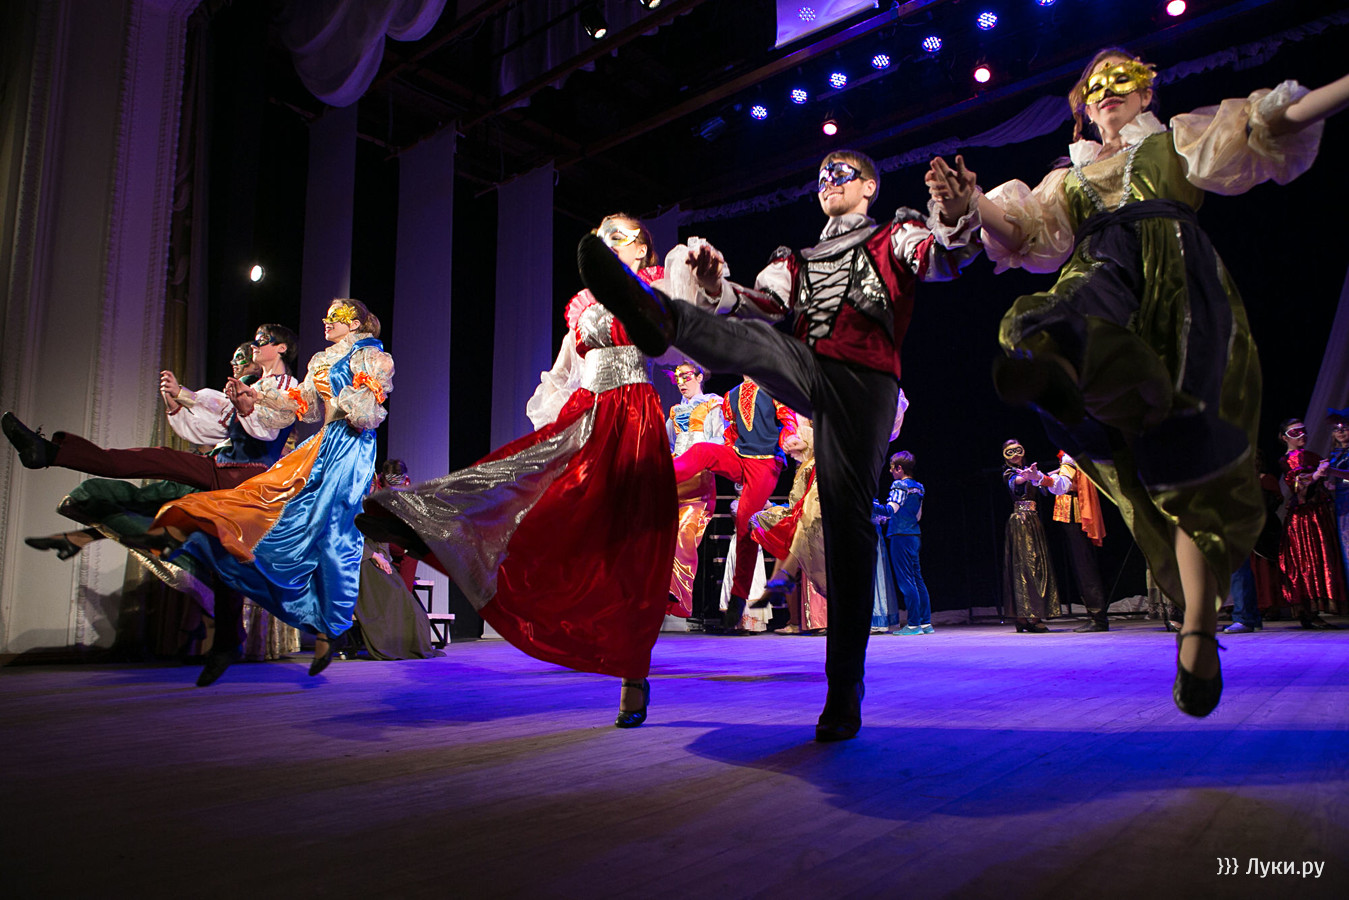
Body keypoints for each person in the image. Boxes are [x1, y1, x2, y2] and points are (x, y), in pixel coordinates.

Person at [930, 49, 1349, 715]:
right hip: (1102, 276)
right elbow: (1026, 234)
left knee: (1190, 471)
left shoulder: (1176, 140)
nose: (1104, 90)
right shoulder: (1069, 176)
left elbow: (1271, 123)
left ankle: (1197, 633)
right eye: (1092, 86)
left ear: (1148, 88)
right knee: (1038, 322)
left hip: (1179, 292)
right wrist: (972, 203)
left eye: (1119, 78)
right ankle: (1078, 386)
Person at [579, 150, 980, 740]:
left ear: (869, 186)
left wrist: (956, 210)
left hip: (866, 381)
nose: (829, 181)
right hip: (811, 368)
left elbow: (943, 259)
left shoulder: (894, 235)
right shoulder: (799, 261)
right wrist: (715, 286)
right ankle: (661, 316)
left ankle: (843, 686)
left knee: (846, 522)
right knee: (752, 342)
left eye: (841, 173)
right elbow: (760, 304)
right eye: (821, 176)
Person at [357, 214, 677, 729]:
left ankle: (632, 673)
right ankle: (428, 525)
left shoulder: (661, 287)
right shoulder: (584, 304)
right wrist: (553, 426)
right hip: (587, 415)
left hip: (636, 423)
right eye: (601, 236)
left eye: (619, 235)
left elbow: (678, 347)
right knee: (524, 490)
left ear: (642, 247)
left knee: (633, 550)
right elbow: (564, 372)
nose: (607, 242)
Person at [144, 299, 393, 682]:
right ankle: (220, 545)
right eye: (326, 315)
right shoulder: (321, 359)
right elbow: (303, 406)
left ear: (356, 322)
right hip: (322, 444)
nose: (327, 321)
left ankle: (332, 625)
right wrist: (258, 396)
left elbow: (365, 416)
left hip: (351, 449)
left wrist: (346, 392)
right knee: (273, 508)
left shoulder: (374, 357)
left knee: (334, 532)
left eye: (337, 317)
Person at [674, 376, 796, 633]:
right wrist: (729, 449)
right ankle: (659, 473)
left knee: (745, 521)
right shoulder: (731, 395)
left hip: (765, 463)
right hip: (740, 457)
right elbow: (731, 431)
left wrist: (788, 437)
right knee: (703, 451)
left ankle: (739, 597)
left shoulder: (773, 386)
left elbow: (788, 419)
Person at [750, 418, 827, 635]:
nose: (790, 447)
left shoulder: (814, 465)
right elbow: (797, 501)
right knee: (785, 547)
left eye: (796, 442)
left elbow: (807, 502)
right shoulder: (805, 466)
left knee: (797, 549)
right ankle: (780, 585)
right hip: (802, 515)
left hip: (811, 519)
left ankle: (780, 583)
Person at [666, 360, 725, 617]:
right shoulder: (675, 411)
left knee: (685, 532)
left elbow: (718, 440)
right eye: (677, 378)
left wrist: (699, 457)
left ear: (700, 377)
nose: (681, 382)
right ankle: (663, 595)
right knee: (666, 535)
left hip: (699, 479)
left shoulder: (713, 404)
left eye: (686, 376)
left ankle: (678, 596)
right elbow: (669, 444)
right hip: (676, 481)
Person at [1275, 418, 1347, 627]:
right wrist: (1316, 475)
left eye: (1303, 431)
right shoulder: (1289, 459)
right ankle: (1309, 611)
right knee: (1308, 560)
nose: (1302, 435)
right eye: (1295, 433)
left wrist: (1330, 482)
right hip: (1305, 517)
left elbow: (1332, 478)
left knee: (1322, 558)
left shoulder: (1312, 455)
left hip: (1319, 513)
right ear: (1284, 438)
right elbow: (1297, 485)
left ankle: (1315, 610)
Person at [1043, 451, 1110, 632]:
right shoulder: (1070, 457)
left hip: (1075, 511)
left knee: (1084, 565)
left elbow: (1069, 484)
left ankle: (1098, 617)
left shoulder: (1071, 456)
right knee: (1081, 565)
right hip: (1069, 512)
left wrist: (1045, 479)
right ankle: (1095, 615)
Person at [1001, 440, 1061, 633]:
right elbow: (1016, 482)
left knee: (1036, 566)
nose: (1015, 455)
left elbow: (1041, 482)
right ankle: (1027, 617)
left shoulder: (1029, 471)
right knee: (1024, 567)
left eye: (1017, 450)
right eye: (1010, 451)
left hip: (1033, 521)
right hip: (1020, 522)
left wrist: (1055, 472)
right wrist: (1025, 477)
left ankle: (1029, 616)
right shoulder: (1009, 473)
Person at [876, 451, 932, 635]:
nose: (890, 471)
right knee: (917, 579)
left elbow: (890, 510)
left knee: (906, 580)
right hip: (914, 534)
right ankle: (925, 623)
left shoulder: (900, 485)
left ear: (899, 468)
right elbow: (918, 515)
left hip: (901, 535)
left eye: (892, 468)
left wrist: (868, 504)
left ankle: (914, 624)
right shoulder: (919, 487)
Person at [1326, 409, 1349, 583]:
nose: (1340, 432)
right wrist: (1333, 486)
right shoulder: (1336, 453)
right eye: (1336, 429)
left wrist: (1332, 471)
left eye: (1344, 428)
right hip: (1342, 502)